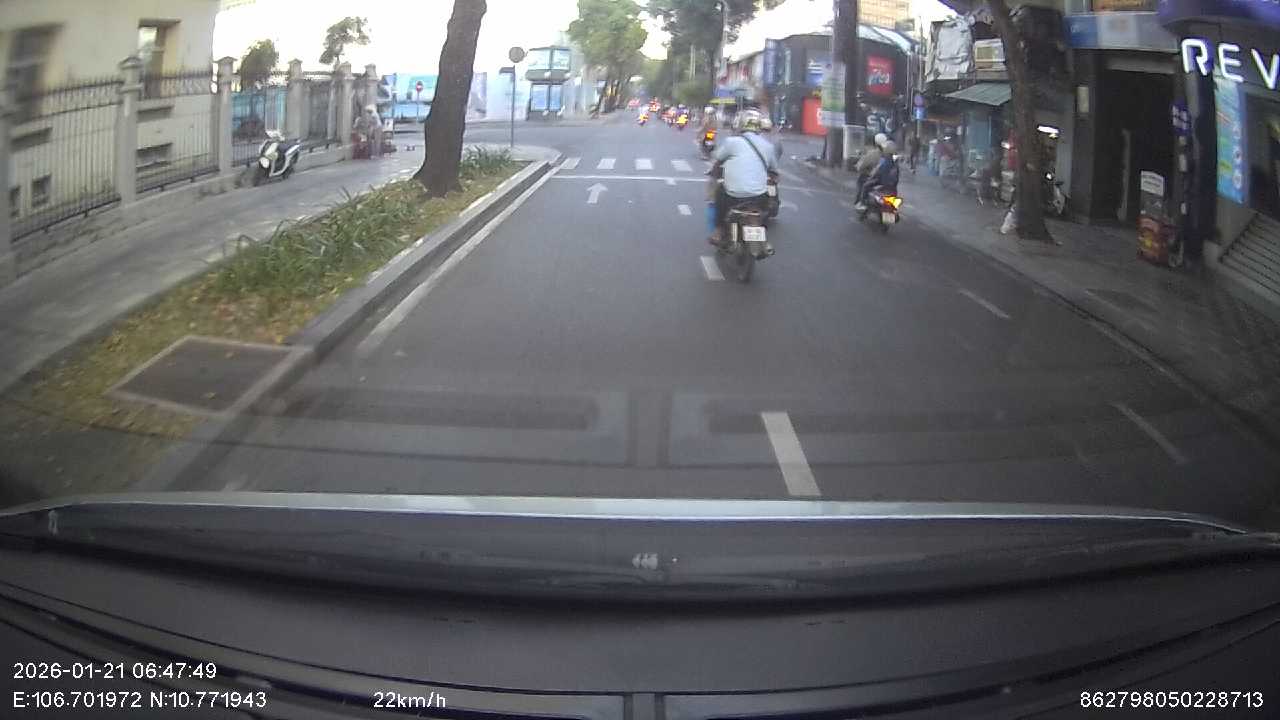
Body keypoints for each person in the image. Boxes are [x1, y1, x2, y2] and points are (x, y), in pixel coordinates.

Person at [707, 110, 778, 246]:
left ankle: (719, 231)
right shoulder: (768, 146)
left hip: (733, 196)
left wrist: (714, 174)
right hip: (759, 197)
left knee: (719, 194)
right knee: (764, 208)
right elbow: (774, 172)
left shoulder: (731, 142)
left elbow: (717, 160)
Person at [856, 140, 901, 212]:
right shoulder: (895, 162)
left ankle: (862, 203)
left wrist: (872, 176)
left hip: (881, 182)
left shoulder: (884, 160)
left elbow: (877, 171)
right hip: (892, 187)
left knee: (865, 186)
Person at [854, 133, 888, 201]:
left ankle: (860, 201)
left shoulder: (872, 154)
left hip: (871, 178)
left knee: (861, 183)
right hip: (885, 181)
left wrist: (858, 167)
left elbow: (861, 166)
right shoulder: (890, 155)